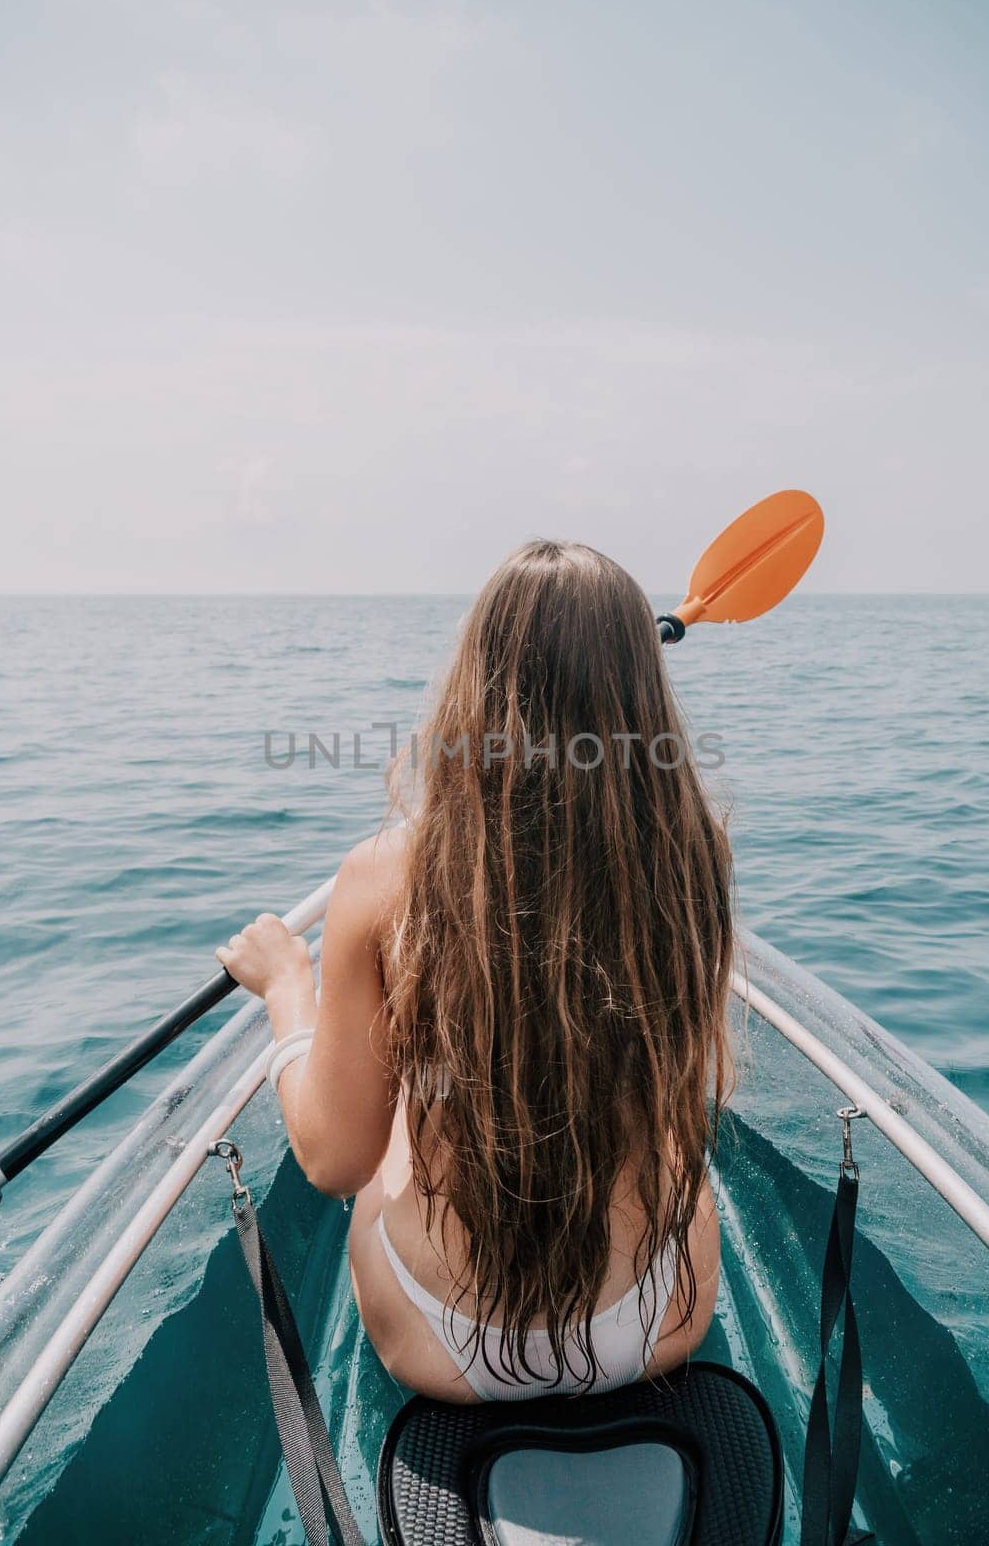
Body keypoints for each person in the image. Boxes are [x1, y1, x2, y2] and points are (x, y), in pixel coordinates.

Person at [217, 539, 733, 1404]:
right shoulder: (692, 856)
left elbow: (335, 1163)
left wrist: (286, 993)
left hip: (448, 1349)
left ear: (474, 683)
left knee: (391, 1135)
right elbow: (702, 1078)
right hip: (658, 1323)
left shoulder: (382, 877)